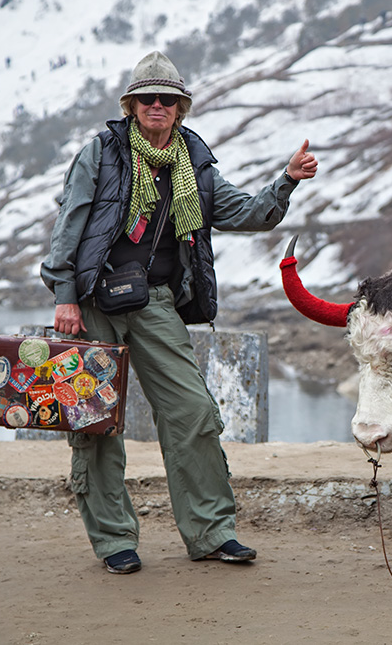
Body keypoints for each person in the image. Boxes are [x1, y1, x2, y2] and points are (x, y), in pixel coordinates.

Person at [40, 51, 318, 575]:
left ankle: (212, 532)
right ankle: (114, 539)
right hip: (94, 301)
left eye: (167, 99)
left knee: (192, 411)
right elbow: (68, 225)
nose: (157, 106)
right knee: (95, 421)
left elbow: (248, 213)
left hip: (154, 300)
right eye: (147, 98)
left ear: (181, 106)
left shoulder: (196, 163)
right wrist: (63, 296)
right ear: (131, 104)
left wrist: (286, 180)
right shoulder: (101, 153)